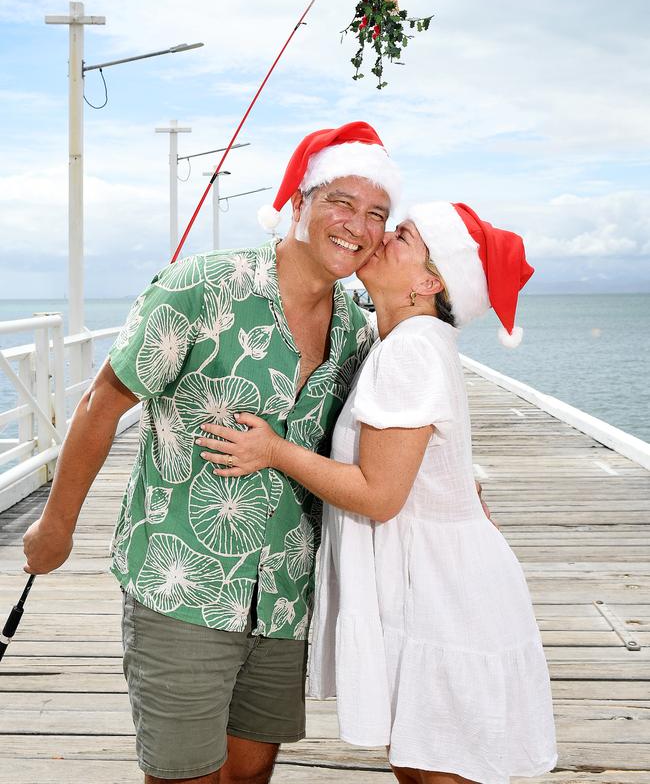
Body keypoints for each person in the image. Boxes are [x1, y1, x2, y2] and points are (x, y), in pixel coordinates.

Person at [21, 121, 403, 784]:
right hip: (181, 586)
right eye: (341, 201)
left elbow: (375, 443)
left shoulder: (354, 329)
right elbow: (100, 405)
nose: (357, 225)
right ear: (297, 204)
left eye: (377, 213)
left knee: (251, 776)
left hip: (284, 593)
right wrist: (56, 526)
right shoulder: (201, 286)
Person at [196, 201, 558, 784]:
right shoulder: (405, 340)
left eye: (405, 237)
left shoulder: (412, 347)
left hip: (443, 596)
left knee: (439, 769)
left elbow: (379, 495)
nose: (383, 236)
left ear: (430, 281)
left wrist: (274, 451)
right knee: (422, 765)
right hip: (433, 582)